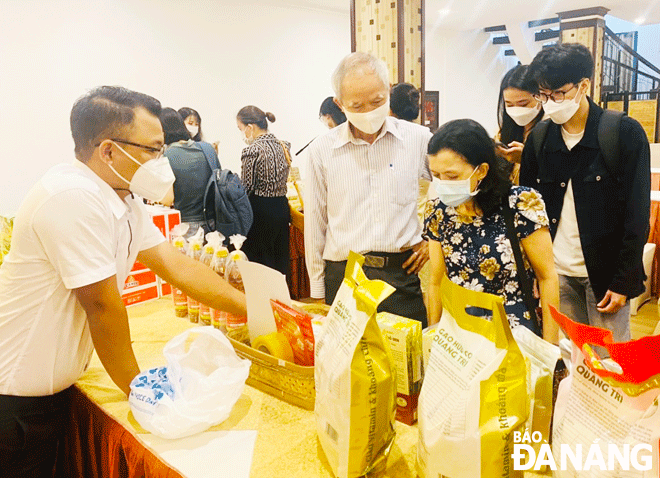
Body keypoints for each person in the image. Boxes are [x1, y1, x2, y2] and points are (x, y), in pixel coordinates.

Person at [0, 86, 247, 477]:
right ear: (109, 151)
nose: (161, 161)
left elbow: (174, 264)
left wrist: (252, 308)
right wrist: (147, 396)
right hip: (15, 403)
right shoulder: (71, 197)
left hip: (53, 391)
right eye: (153, 149)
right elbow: (102, 307)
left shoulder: (122, 198)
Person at [520, 43, 650, 343]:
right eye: (544, 95)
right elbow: (527, 212)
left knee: (608, 366)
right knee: (569, 357)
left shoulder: (623, 133)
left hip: (605, 277)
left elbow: (637, 214)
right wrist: (535, 274)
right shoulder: (539, 138)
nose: (551, 103)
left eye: (560, 94)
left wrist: (623, 280)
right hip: (556, 274)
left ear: (584, 86)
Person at [305, 52, 431, 326]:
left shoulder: (418, 139)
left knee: (408, 360)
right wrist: (317, 290)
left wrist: (434, 238)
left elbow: (453, 188)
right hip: (345, 274)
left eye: (377, 102)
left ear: (388, 92)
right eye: (357, 106)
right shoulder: (321, 150)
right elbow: (315, 222)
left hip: (400, 273)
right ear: (340, 104)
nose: (369, 112)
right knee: (349, 364)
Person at [424, 119, 559, 341]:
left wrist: (550, 346)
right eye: (436, 175)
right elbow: (436, 282)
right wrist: (432, 338)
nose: (442, 184)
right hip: (460, 333)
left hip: (514, 331)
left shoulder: (520, 204)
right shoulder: (439, 211)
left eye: (452, 176)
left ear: (481, 171)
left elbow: (547, 277)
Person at [236, 106, 290, 275]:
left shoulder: (252, 150)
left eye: (240, 129)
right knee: (280, 258)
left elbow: (247, 187)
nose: (242, 133)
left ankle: (262, 299)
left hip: (261, 211)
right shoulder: (284, 145)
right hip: (281, 207)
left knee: (261, 262)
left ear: (250, 127)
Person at [161, 107, 220, 238]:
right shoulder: (208, 148)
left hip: (184, 225)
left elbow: (167, 200)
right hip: (212, 223)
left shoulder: (167, 155)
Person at [495, 64, 544, 184]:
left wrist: (528, 159)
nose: (516, 110)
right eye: (509, 105)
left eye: (523, 104)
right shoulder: (504, 132)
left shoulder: (553, 131)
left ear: (541, 97)